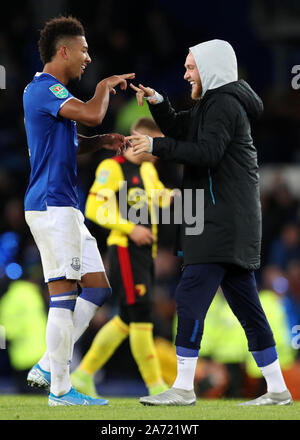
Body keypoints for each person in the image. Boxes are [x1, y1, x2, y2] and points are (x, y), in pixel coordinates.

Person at [127, 39, 293, 406]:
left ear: (211, 68)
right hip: (227, 221)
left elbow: (206, 153)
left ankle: (184, 387)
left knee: (189, 297)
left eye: (191, 67)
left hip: (220, 222)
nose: (185, 74)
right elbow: (182, 129)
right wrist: (158, 102)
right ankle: (278, 390)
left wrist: (155, 147)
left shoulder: (223, 104)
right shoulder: (215, 104)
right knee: (248, 308)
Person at [23, 15, 135, 406]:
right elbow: (92, 112)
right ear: (64, 50)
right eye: (84, 51)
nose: (88, 59)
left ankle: (45, 365)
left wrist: (100, 141)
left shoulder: (56, 98)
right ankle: (60, 389)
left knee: (99, 288)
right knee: (64, 294)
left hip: (64, 207)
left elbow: (70, 143)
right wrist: (104, 87)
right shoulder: (44, 89)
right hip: (52, 206)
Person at [70, 117, 170, 397]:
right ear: (138, 137)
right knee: (141, 316)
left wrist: (179, 196)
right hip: (125, 249)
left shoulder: (148, 171)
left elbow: (160, 197)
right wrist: (131, 229)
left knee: (127, 320)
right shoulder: (112, 168)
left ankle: (83, 374)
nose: (157, 149)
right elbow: (93, 208)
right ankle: (156, 386)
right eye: (154, 142)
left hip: (145, 253)